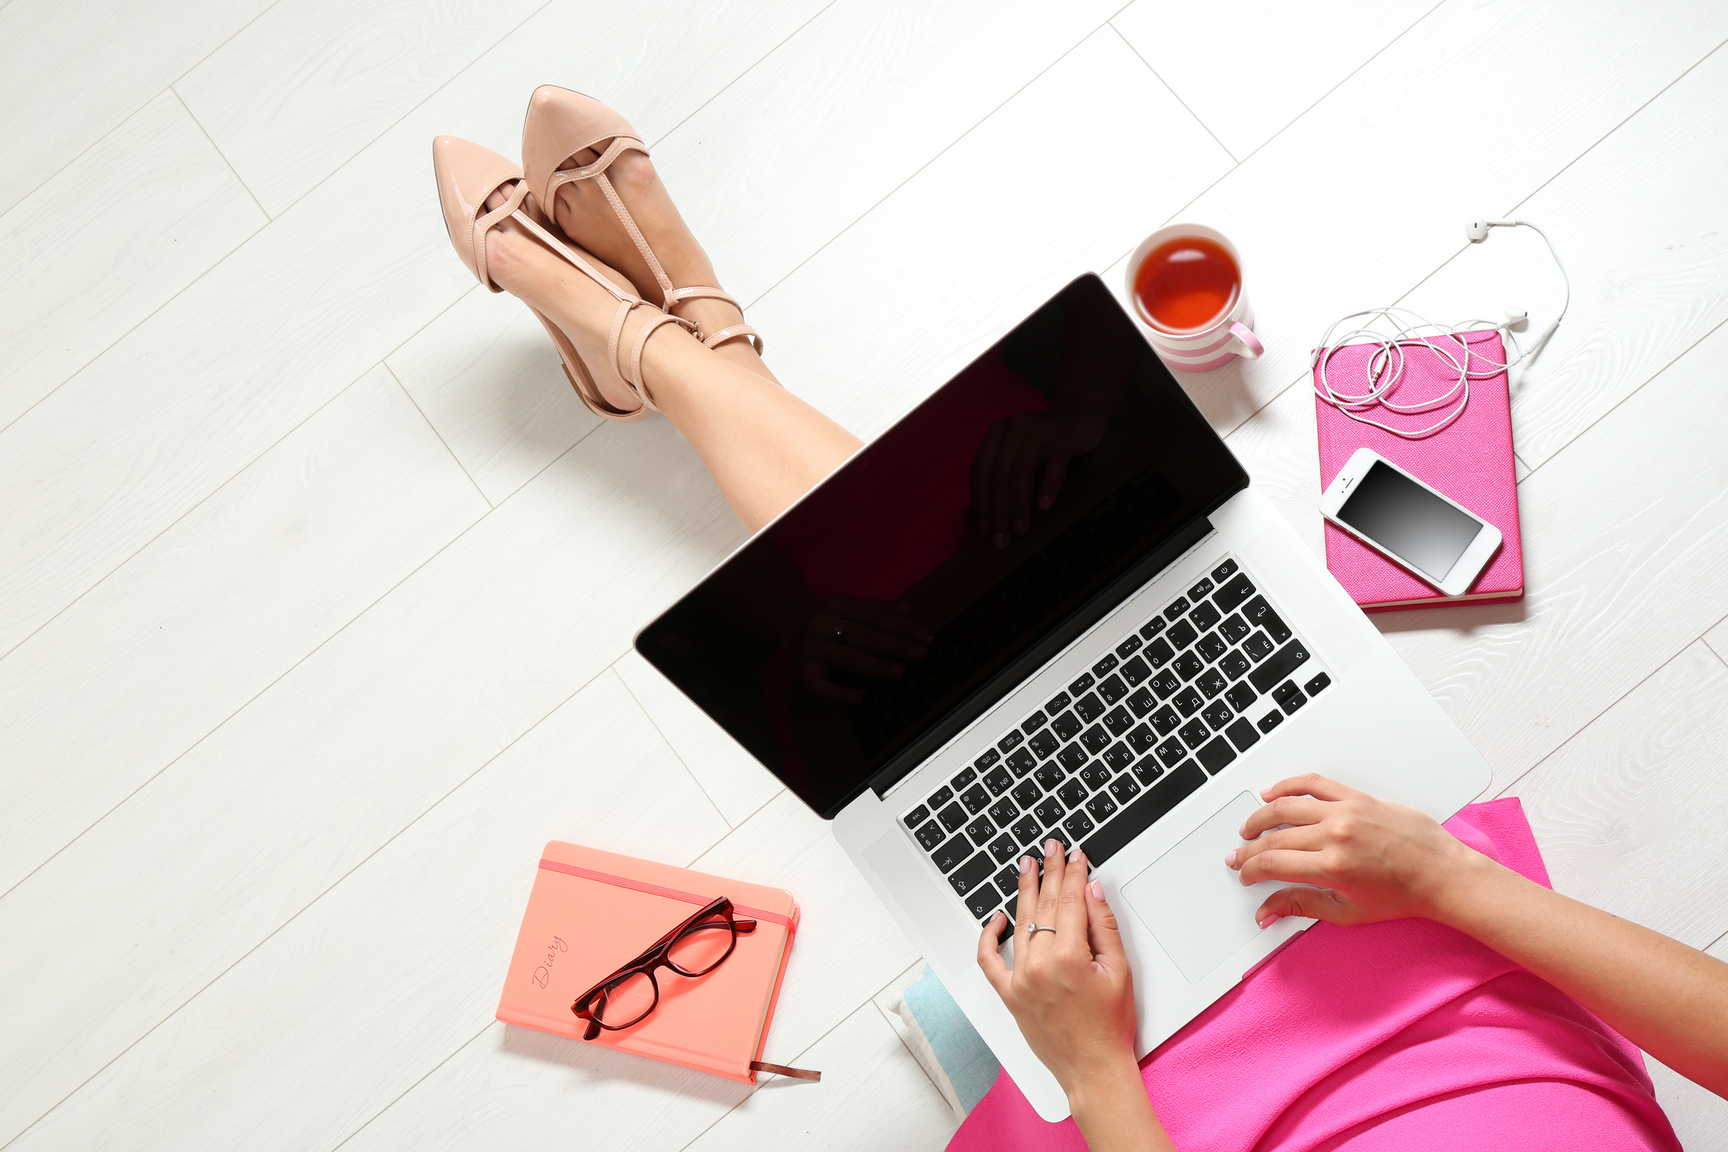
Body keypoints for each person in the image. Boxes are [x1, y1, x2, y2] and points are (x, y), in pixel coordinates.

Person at [436, 93, 1728, 1150]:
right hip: (1444, 963)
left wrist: (1096, 1072)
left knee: (948, 661)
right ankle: (675, 345)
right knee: (1082, 598)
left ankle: (658, 346)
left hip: (1160, 1110)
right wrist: (1443, 876)